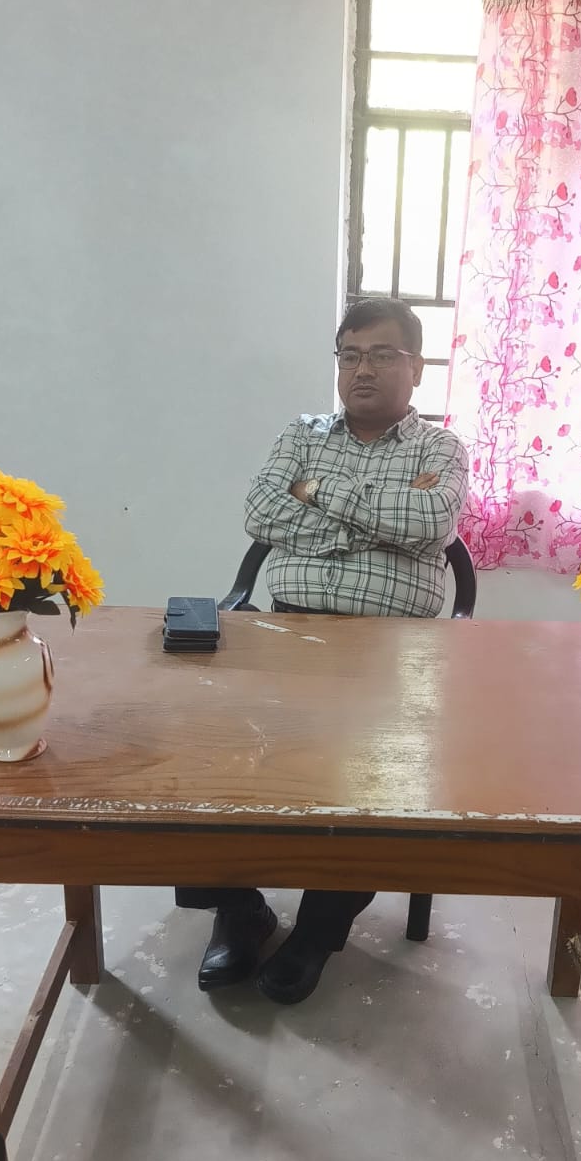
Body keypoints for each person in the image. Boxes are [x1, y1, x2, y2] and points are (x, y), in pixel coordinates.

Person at [176, 298, 468, 1007]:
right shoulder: (300, 432)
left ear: (416, 367)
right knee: (206, 754)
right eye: (350, 355)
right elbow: (261, 511)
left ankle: (317, 930)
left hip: (392, 652)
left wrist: (315, 494)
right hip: (287, 634)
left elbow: (430, 523)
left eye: (382, 355)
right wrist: (376, 521)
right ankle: (239, 910)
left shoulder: (440, 449)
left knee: (373, 783)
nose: (362, 369)